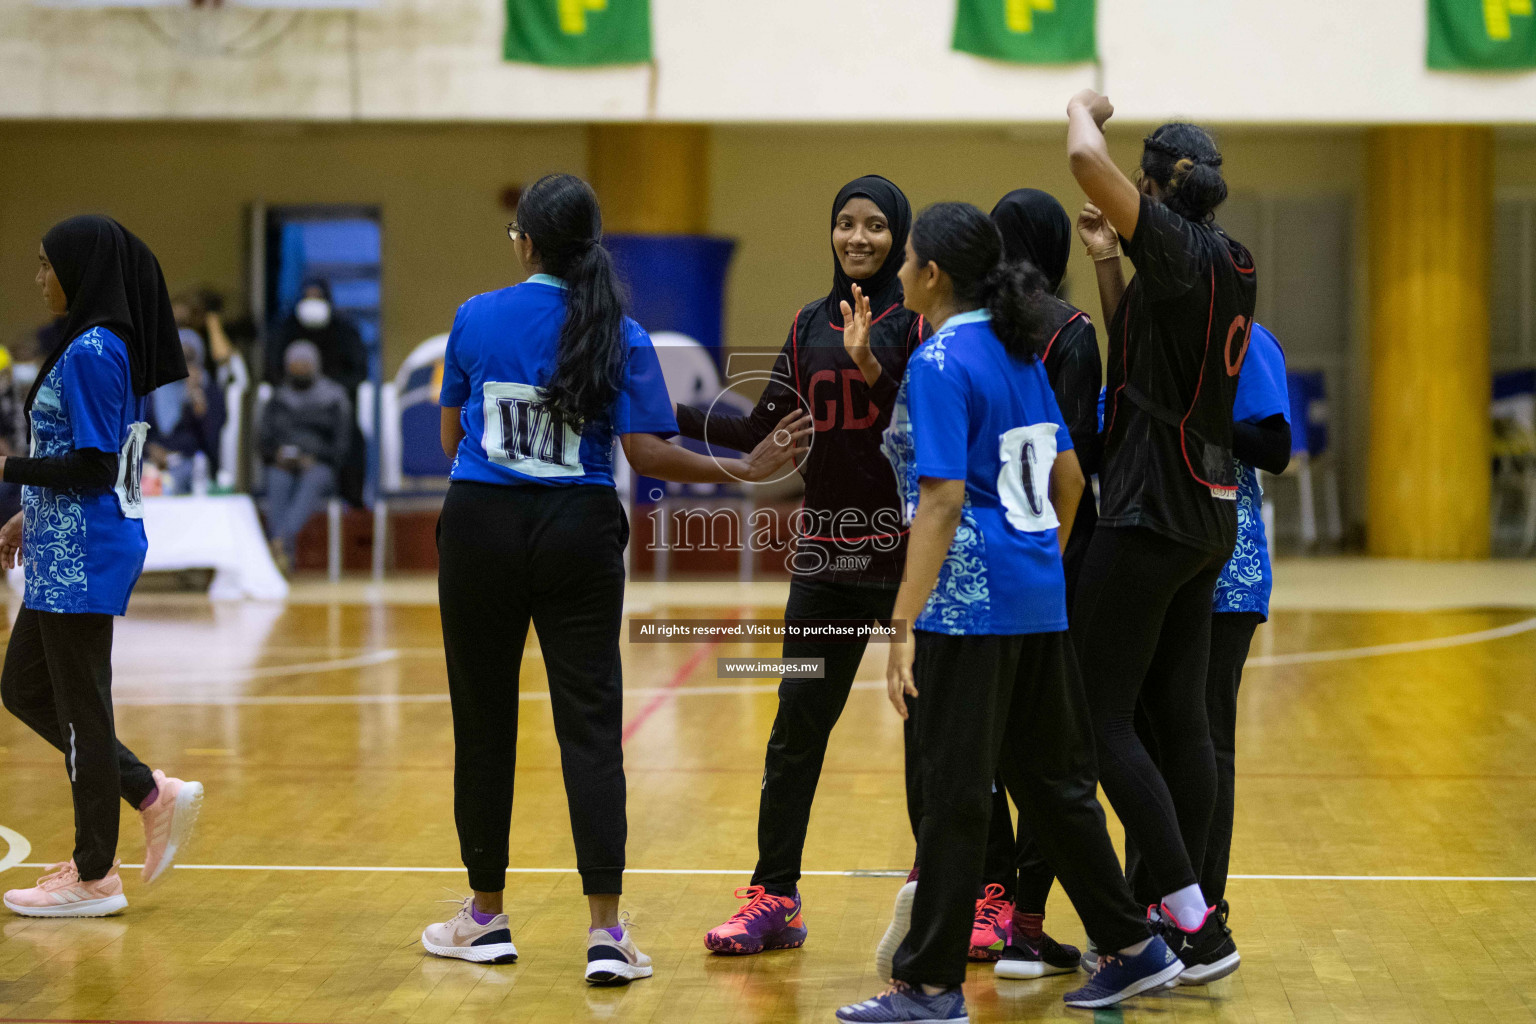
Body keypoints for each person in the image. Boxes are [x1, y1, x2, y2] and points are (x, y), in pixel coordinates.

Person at [423, 173, 808, 985]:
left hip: (481, 532)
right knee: (591, 729)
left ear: (524, 239)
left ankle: (485, 919)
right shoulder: (621, 331)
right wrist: (743, 466)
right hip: (579, 535)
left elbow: (454, 431)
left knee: (482, 724)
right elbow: (648, 452)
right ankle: (605, 933)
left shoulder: (474, 317)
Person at [838, 202, 1183, 1024]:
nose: (902, 267)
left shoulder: (941, 355)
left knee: (955, 793)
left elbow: (944, 496)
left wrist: (902, 621)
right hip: (1035, 594)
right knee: (1054, 784)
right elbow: (1069, 484)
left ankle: (928, 987)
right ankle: (1136, 947)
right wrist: (1034, 559)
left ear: (933, 275)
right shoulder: (1019, 347)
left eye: (910, 255)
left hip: (969, 606)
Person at [676, 175, 941, 957]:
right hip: (826, 556)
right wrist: (658, 409)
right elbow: (763, 426)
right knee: (795, 735)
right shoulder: (806, 324)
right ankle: (775, 898)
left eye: (875, 227)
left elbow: (933, 424)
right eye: (845, 225)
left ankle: (942, 895)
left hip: (907, 558)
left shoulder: (922, 325)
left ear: (900, 236)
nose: (858, 239)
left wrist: (875, 370)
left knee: (927, 738)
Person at [1065, 88, 1255, 984]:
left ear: (1151, 187)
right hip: (1206, 513)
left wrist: (1082, 108)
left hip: (1151, 508)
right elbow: (1142, 353)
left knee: (1094, 712)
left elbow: (1080, 162)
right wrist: (1108, 263)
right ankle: (1198, 919)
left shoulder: (1178, 248)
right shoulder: (1225, 260)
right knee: (1176, 717)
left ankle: (1182, 914)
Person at [0, 215, 204, 917]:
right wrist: (29, 508)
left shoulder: (93, 349)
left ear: (79, 271)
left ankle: (94, 876)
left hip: (84, 550)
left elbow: (90, 465)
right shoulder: (96, 345)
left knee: (83, 710)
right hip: (64, 544)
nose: (40, 278)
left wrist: (9, 467)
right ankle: (148, 790)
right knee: (25, 685)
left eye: (46, 265)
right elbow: (93, 456)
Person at [971, 187, 1104, 980]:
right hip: (1048, 561)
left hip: (973, 553)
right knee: (1049, 751)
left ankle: (988, 907)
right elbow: (1073, 471)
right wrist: (1053, 557)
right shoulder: (1071, 332)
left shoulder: (970, 331)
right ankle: (1023, 916)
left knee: (982, 746)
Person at [1123, 324, 1291, 920]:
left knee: (1204, 732)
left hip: (1225, 566)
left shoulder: (1243, 340)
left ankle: (1200, 907)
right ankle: (1146, 901)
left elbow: (1275, 448)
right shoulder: (1141, 332)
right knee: (1137, 737)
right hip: (1149, 559)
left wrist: (1189, 418)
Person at [267, 279, 368, 506]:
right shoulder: (286, 330)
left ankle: (353, 498)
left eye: (317, 298)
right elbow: (271, 370)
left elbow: (358, 371)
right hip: (291, 412)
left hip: (330, 413)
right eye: (308, 298)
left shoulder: (345, 331)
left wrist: (325, 390)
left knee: (351, 441)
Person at [257, 341, 350, 572]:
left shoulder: (334, 399)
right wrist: (276, 455)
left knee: (313, 480)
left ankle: (278, 542)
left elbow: (342, 446)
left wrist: (315, 457)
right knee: (277, 479)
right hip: (283, 464)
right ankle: (283, 557)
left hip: (319, 465)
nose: (299, 368)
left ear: (315, 364)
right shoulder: (278, 400)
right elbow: (262, 441)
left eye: (304, 363)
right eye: (295, 364)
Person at [148, 330, 226, 494]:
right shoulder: (154, 390)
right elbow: (139, 429)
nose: (184, 365)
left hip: (194, 469)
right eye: (178, 356)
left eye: (190, 358)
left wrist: (199, 404)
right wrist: (150, 449)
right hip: (154, 467)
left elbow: (212, 443)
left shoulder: (211, 392)